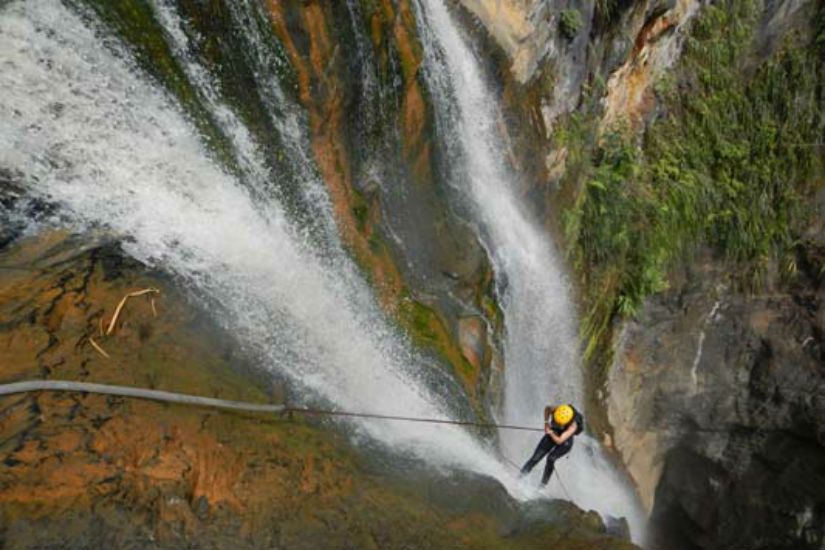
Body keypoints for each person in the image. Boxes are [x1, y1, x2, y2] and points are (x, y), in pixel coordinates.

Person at [520, 403, 583, 485]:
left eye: (560, 423)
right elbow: (547, 409)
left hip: (565, 440)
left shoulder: (573, 426)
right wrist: (546, 424)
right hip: (554, 431)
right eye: (556, 422)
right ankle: (520, 477)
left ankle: (542, 485)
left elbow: (559, 441)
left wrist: (550, 433)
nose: (558, 424)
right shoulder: (556, 409)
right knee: (536, 457)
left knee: (551, 458)